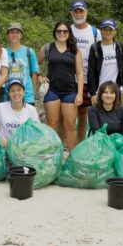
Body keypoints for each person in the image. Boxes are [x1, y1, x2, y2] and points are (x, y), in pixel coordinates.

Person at [38, 20, 83, 151]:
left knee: (70, 126)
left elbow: (80, 73)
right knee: (52, 124)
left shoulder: (75, 51)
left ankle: (72, 158)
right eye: (59, 31)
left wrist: (80, 94)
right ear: (55, 32)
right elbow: (35, 65)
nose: (62, 33)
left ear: (69, 33)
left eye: (65, 31)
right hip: (52, 90)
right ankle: (52, 157)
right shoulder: (47, 48)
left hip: (70, 91)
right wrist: (40, 76)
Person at [69, 0, 101, 143]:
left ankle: (81, 142)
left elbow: (101, 54)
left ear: (86, 12)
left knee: (83, 113)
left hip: (88, 78)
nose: (78, 14)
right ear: (71, 13)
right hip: (69, 78)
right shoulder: (67, 30)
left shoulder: (95, 32)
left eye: (81, 11)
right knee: (68, 114)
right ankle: (68, 143)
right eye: (76, 11)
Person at [88, 18, 123, 105]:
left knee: (115, 117)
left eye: (110, 29)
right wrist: (92, 93)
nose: (107, 32)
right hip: (99, 90)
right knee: (100, 117)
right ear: (101, 31)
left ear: (115, 31)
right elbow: (91, 71)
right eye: (105, 29)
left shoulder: (120, 47)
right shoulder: (95, 48)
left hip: (115, 91)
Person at [0, 79, 40, 149]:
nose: (16, 93)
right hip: (4, 147)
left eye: (19, 90)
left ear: (24, 92)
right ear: (9, 93)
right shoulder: (1, 107)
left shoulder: (31, 110)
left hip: (24, 148)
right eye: (12, 91)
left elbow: (36, 133)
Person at [4, 22, 40, 105]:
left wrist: (33, 92)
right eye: (12, 32)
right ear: (8, 35)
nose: (14, 35)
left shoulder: (29, 52)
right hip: (8, 96)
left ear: (21, 35)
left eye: (17, 32)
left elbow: (34, 73)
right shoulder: (3, 53)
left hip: (27, 96)